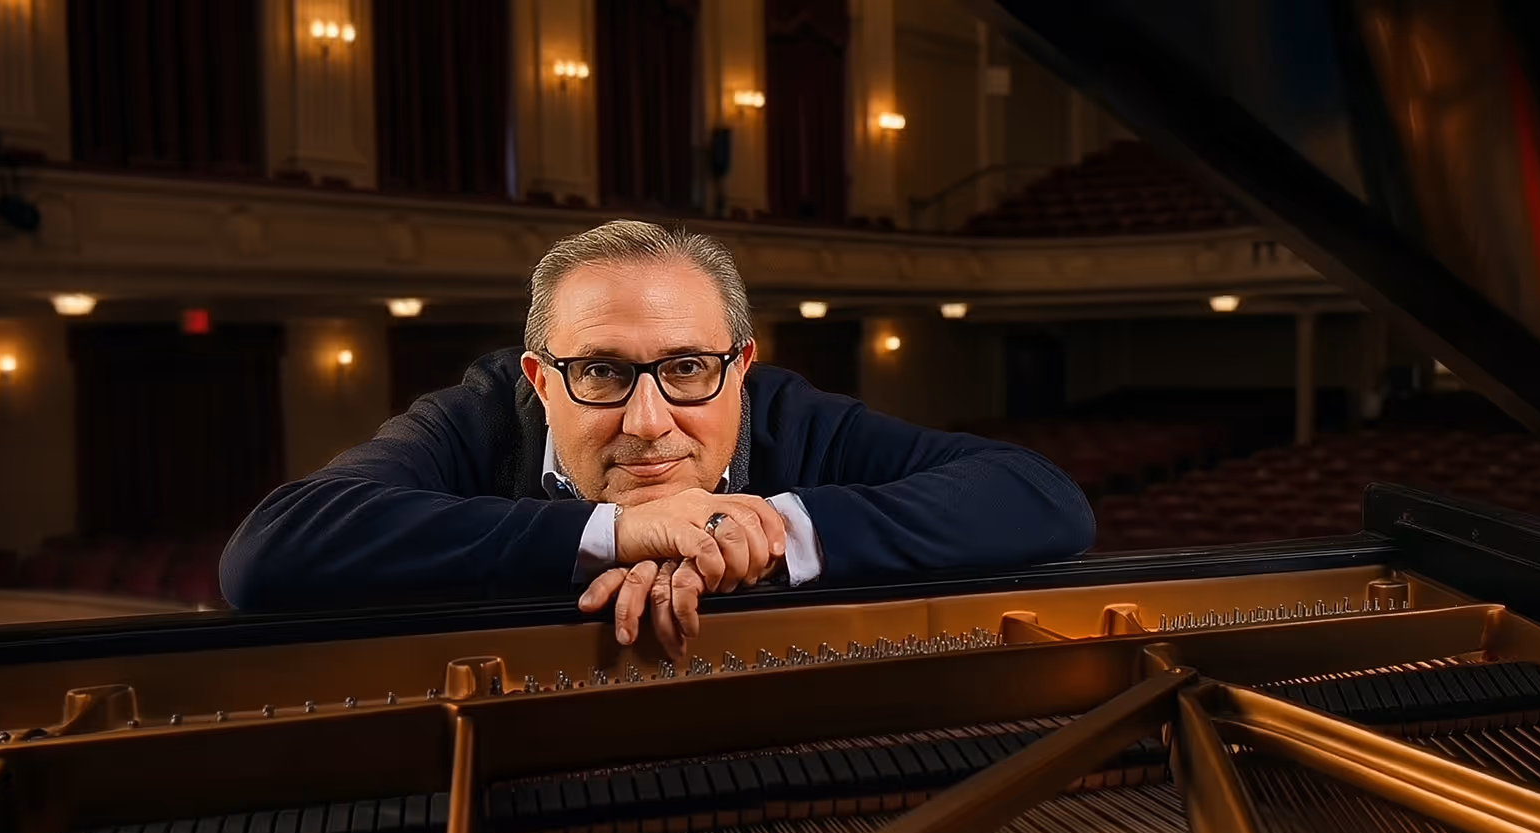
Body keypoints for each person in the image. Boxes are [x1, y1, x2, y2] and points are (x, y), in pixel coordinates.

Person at [220, 220, 1094, 655]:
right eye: (600, 373)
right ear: (539, 378)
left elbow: (1041, 496)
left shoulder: (789, 412)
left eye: (685, 369)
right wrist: (614, 532)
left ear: (740, 367)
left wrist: (769, 531)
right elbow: (268, 554)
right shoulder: (479, 414)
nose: (649, 422)